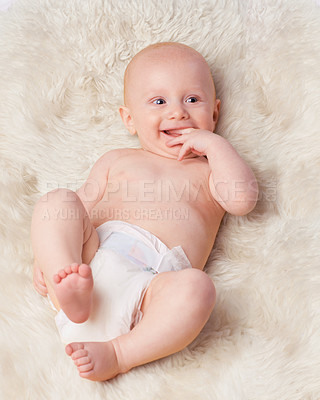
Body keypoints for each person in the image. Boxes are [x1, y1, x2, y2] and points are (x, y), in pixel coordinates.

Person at [31, 42, 258, 381]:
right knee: (57, 201)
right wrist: (49, 258)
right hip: (91, 264)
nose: (178, 112)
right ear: (130, 119)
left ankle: (120, 353)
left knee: (199, 288)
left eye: (193, 100)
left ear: (214, 113)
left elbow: (243, 201)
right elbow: (80, 206)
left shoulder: (210, 171)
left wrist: (215, 146)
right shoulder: (116, 159)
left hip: (150, 289)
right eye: (158, 101)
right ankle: (66, 284)